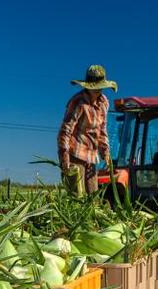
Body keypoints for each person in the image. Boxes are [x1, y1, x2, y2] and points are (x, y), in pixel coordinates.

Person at [57, 65, 117, 196]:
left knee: (93, 197)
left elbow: (102, 129)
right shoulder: (78, 102)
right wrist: (64, 157)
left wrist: (105, 152)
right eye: (94, 87)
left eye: (100, 87)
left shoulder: (104, 103)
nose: (97, 90)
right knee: (77, 196)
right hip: (75, 154)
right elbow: (65, 131)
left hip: (91, 156)